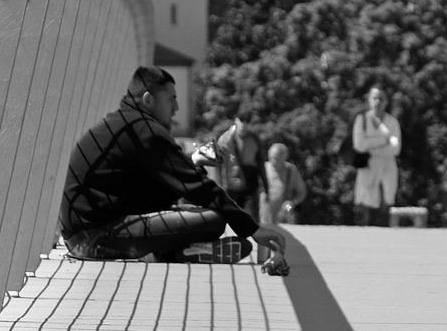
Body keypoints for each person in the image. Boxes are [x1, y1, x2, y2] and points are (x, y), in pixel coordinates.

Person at [59, 66, 287, 263]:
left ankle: (184, 252)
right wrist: (253, 229)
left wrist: (193, 165)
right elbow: (197, 186)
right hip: (96, 238)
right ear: (148, 99)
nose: (176, 107)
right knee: (213, 220)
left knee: (194, 210)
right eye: (171, 99)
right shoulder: (144, 130)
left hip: (82, 236)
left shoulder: (123, 124)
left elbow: (166, 188)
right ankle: (174, 252)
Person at [351, 86, 401, 226]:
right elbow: (359, 145)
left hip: (387, 164)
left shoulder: (392, 122)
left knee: (388, 197)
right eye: (374, 98)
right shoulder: (362, 119)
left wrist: (373, 148)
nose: (377, 102)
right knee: (366, 198)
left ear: (386, 102)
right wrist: (382, 141)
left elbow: (395, 148)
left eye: (381, 98)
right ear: (369, 100)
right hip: (368, 165)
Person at [213, 114, 263, 223]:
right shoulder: (225, 138)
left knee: (251, 220)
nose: (244, 124)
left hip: (249, 186)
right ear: (236, 120)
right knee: (231, 220)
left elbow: (260, 164)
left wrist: (266, 187)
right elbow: (218, 164)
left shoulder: (253, 139)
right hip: (231, 187)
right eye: (242, 120)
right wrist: (219, 186)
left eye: (247, 121)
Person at [260, 142, 307, 226]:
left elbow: (302, 192)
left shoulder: (291, 171)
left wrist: (292, 203)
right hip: (264, 216)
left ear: (284, 158)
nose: (274, 162)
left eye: (277, 159)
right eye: (272, 158)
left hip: (284, 215)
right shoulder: (264, 168)